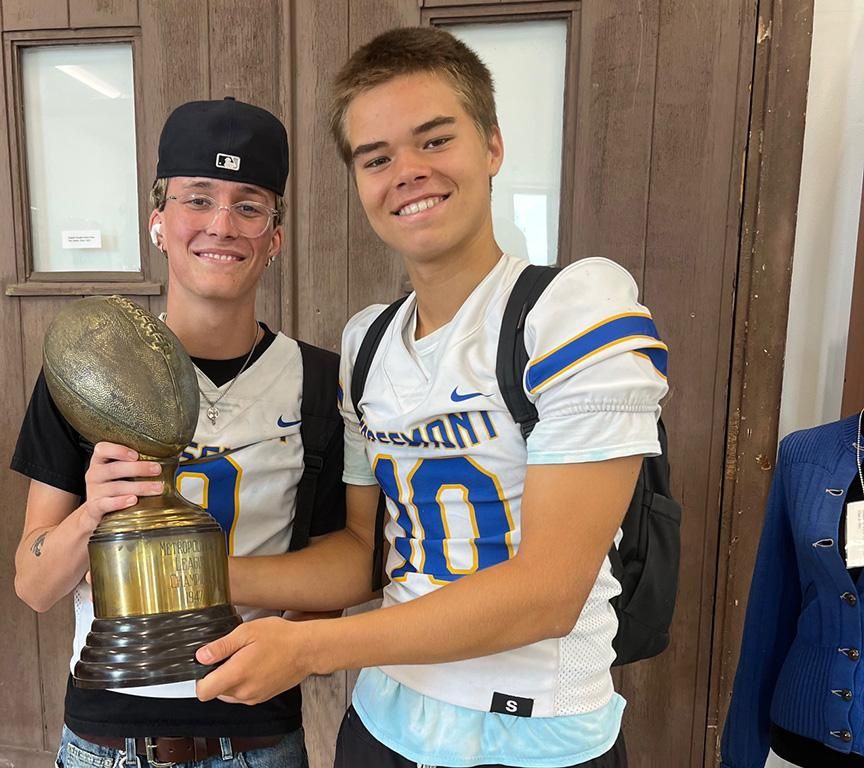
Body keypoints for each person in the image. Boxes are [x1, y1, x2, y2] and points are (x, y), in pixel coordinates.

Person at [193, 27, 670, 768]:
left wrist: (313, 646)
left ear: (492, 146)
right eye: (376, 158)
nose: (406, 172)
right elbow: (364, 551)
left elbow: (549, 591)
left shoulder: (574, 310)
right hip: (384, 723)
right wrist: (197, 571)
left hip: (534, 734)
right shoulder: (367, 343)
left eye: (434, 140)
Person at [11, 97, 377, 767]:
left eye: (249, 205)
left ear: (275, 234)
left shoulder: (320, 382)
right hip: (106, 739)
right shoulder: (87, 373)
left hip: (256, 737)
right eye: (197, 199)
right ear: (158, 221)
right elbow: (33, 585)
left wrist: (192, 579)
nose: (222, 225)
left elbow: (349, 569)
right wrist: (92, 513)